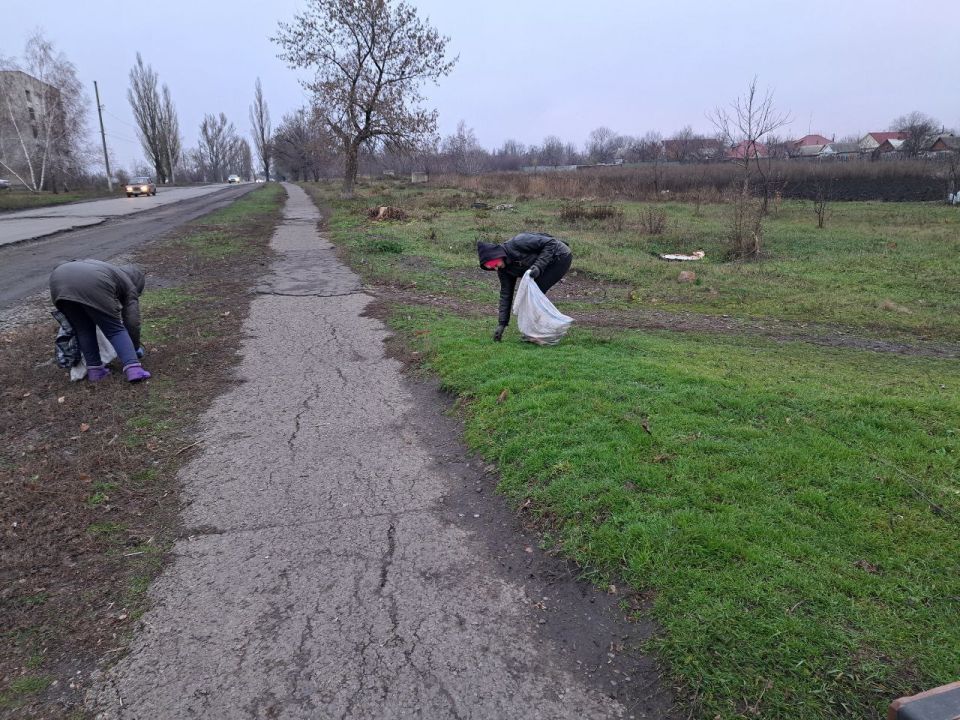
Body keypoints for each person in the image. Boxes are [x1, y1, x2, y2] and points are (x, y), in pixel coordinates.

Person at [49, 259, 151, 382]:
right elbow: (132, 322)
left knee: (83, 329)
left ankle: (95, 371)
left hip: (59, 282)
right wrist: (134, 347)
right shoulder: (129, 286)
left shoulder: (111, 272)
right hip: (92, 283)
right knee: (114, 329)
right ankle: (134, 369)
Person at [477, 232, 573, 341]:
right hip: (544, 264)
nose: (495, 268)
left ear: (496, 255)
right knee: (529, 295)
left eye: (494, 265)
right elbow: (506, 294)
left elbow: (551, 243)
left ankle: (544, 332)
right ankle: (537, 332)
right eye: (491, 268)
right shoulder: (503, 270)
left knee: (533, 294)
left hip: (560, 256)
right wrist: (502, 324)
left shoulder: (518, 242)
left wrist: (538, 266)